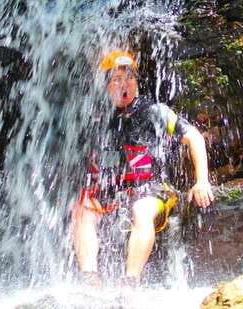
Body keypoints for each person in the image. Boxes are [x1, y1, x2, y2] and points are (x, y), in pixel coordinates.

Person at [71, 50, 214, 285]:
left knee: (141, 209)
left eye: (130, 77)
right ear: (105, 86)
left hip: (152, 189)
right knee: (82, 208)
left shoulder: (154, 112)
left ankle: (130, 282)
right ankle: (90, 279)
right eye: (116, 79)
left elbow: (194, 137)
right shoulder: (94, 118)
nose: (124, 84)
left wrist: (202, 181)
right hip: (110, 192)